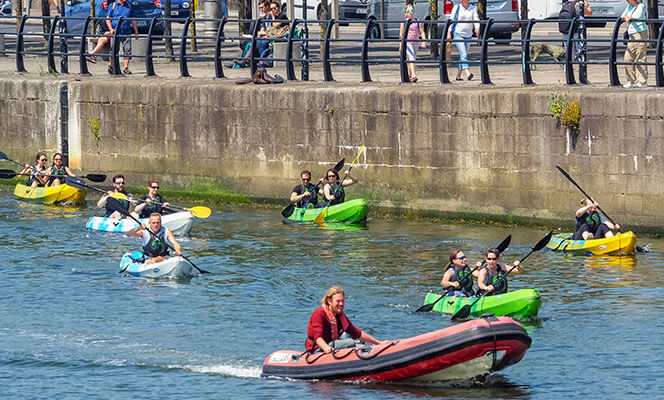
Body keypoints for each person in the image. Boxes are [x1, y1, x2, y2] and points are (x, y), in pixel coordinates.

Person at [305, 286, 383, 353]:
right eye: (338, 301)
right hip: (318, 349)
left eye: (342, 301)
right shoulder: (319, 313)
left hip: (331, 344)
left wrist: (379, 343)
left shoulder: (339, 315)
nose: (341, 304)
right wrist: (326, 348)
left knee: (358, 342)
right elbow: (317, 337)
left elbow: (356, 333)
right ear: (329, 301)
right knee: (350, 342)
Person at [87, 0, 139, 75]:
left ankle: (126, 67)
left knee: (127, 50)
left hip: (126, 31)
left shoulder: (129, 6)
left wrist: (136, 32)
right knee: (113, 49)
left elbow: (133, 19)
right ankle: (111, 65)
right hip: (115, 32)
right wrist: (111, 29)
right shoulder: (113, 5)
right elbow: (108, 18)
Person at [448, 0, 480, 81]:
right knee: (464, 53)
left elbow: (476, 19)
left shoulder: (473, 8)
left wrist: (477, 28)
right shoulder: (457, 7)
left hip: (468, 34)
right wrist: (449, 32)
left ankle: (458, 75)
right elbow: (451, 20)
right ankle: (467, 71)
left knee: (463, 56)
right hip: (458, 33)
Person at [558, 0, 592, 72]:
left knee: (569, 51)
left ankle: (567, 70)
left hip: (566, 30)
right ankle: (582, 72)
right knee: (580, 51)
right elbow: (589, 13)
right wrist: (586, 4)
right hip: (576, 31)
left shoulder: (565, 5)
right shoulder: (577, 5)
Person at [621, 0, 648, 88]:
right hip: (631, 33)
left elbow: (638, 16)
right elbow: (623, 15)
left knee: (640, 56)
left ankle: (642, 81)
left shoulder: (641, 6)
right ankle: (631, 80)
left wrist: (630, 18)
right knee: (628, 57)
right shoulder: (629, 6)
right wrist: (626, 17)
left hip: (640, 32)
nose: (628, 1)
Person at [399, 3, 426, 82]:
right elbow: (401, 34)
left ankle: (408, 75)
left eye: (412, 10)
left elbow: (422, 31)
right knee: (411, 58)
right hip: (408, 42)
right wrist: (400, 45)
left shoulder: (417, 21)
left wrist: (424, 41)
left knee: (412, 58)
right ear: (405, 13)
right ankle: (414, 75)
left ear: (414, 12)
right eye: (408, 10)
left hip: (416, 42)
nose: (410, 12)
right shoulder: (404, 22)